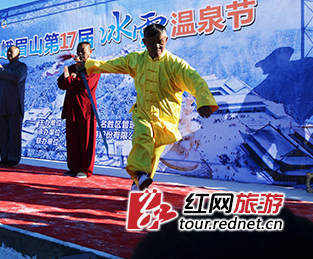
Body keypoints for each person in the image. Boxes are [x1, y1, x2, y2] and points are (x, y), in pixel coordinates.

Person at [78, 23, 218, 190]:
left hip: (165, 119)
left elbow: (195, 80)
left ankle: (139, 183)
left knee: (154, 154)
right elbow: (111, 65)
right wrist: (88, 65)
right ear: (144, 43)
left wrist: (203, 100)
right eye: (151, 43)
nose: (157, 47)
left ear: (166, 40)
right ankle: (139, 175)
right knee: (144, 137)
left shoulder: (176, 65)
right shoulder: (136, 60)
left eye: (160, 42)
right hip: (143, 113)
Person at [57, 42, 101, 178]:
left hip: (86, 109)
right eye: (78, 50)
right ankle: (74, 167)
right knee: (73, 141)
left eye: (83, 50)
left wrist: (69, 79)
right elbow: (60, 83)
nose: (80, 53)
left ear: (90, 52)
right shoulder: (72, 67)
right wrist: (71, 78)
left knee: (87, 141)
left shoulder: (93, 68)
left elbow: (84, 83)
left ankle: (86, 170)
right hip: (72, 109)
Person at [0, 45, 27, 167]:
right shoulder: (3, 67)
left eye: (12, 51)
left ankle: (13, 159)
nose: (9, 53)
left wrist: (1, 71)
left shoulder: (21, 66)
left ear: (18, 54)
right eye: (8, 51)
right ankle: (4, 158)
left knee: (14, 134)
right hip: (1, 105)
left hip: (14, 105)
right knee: (3, 134)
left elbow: (17, 77)